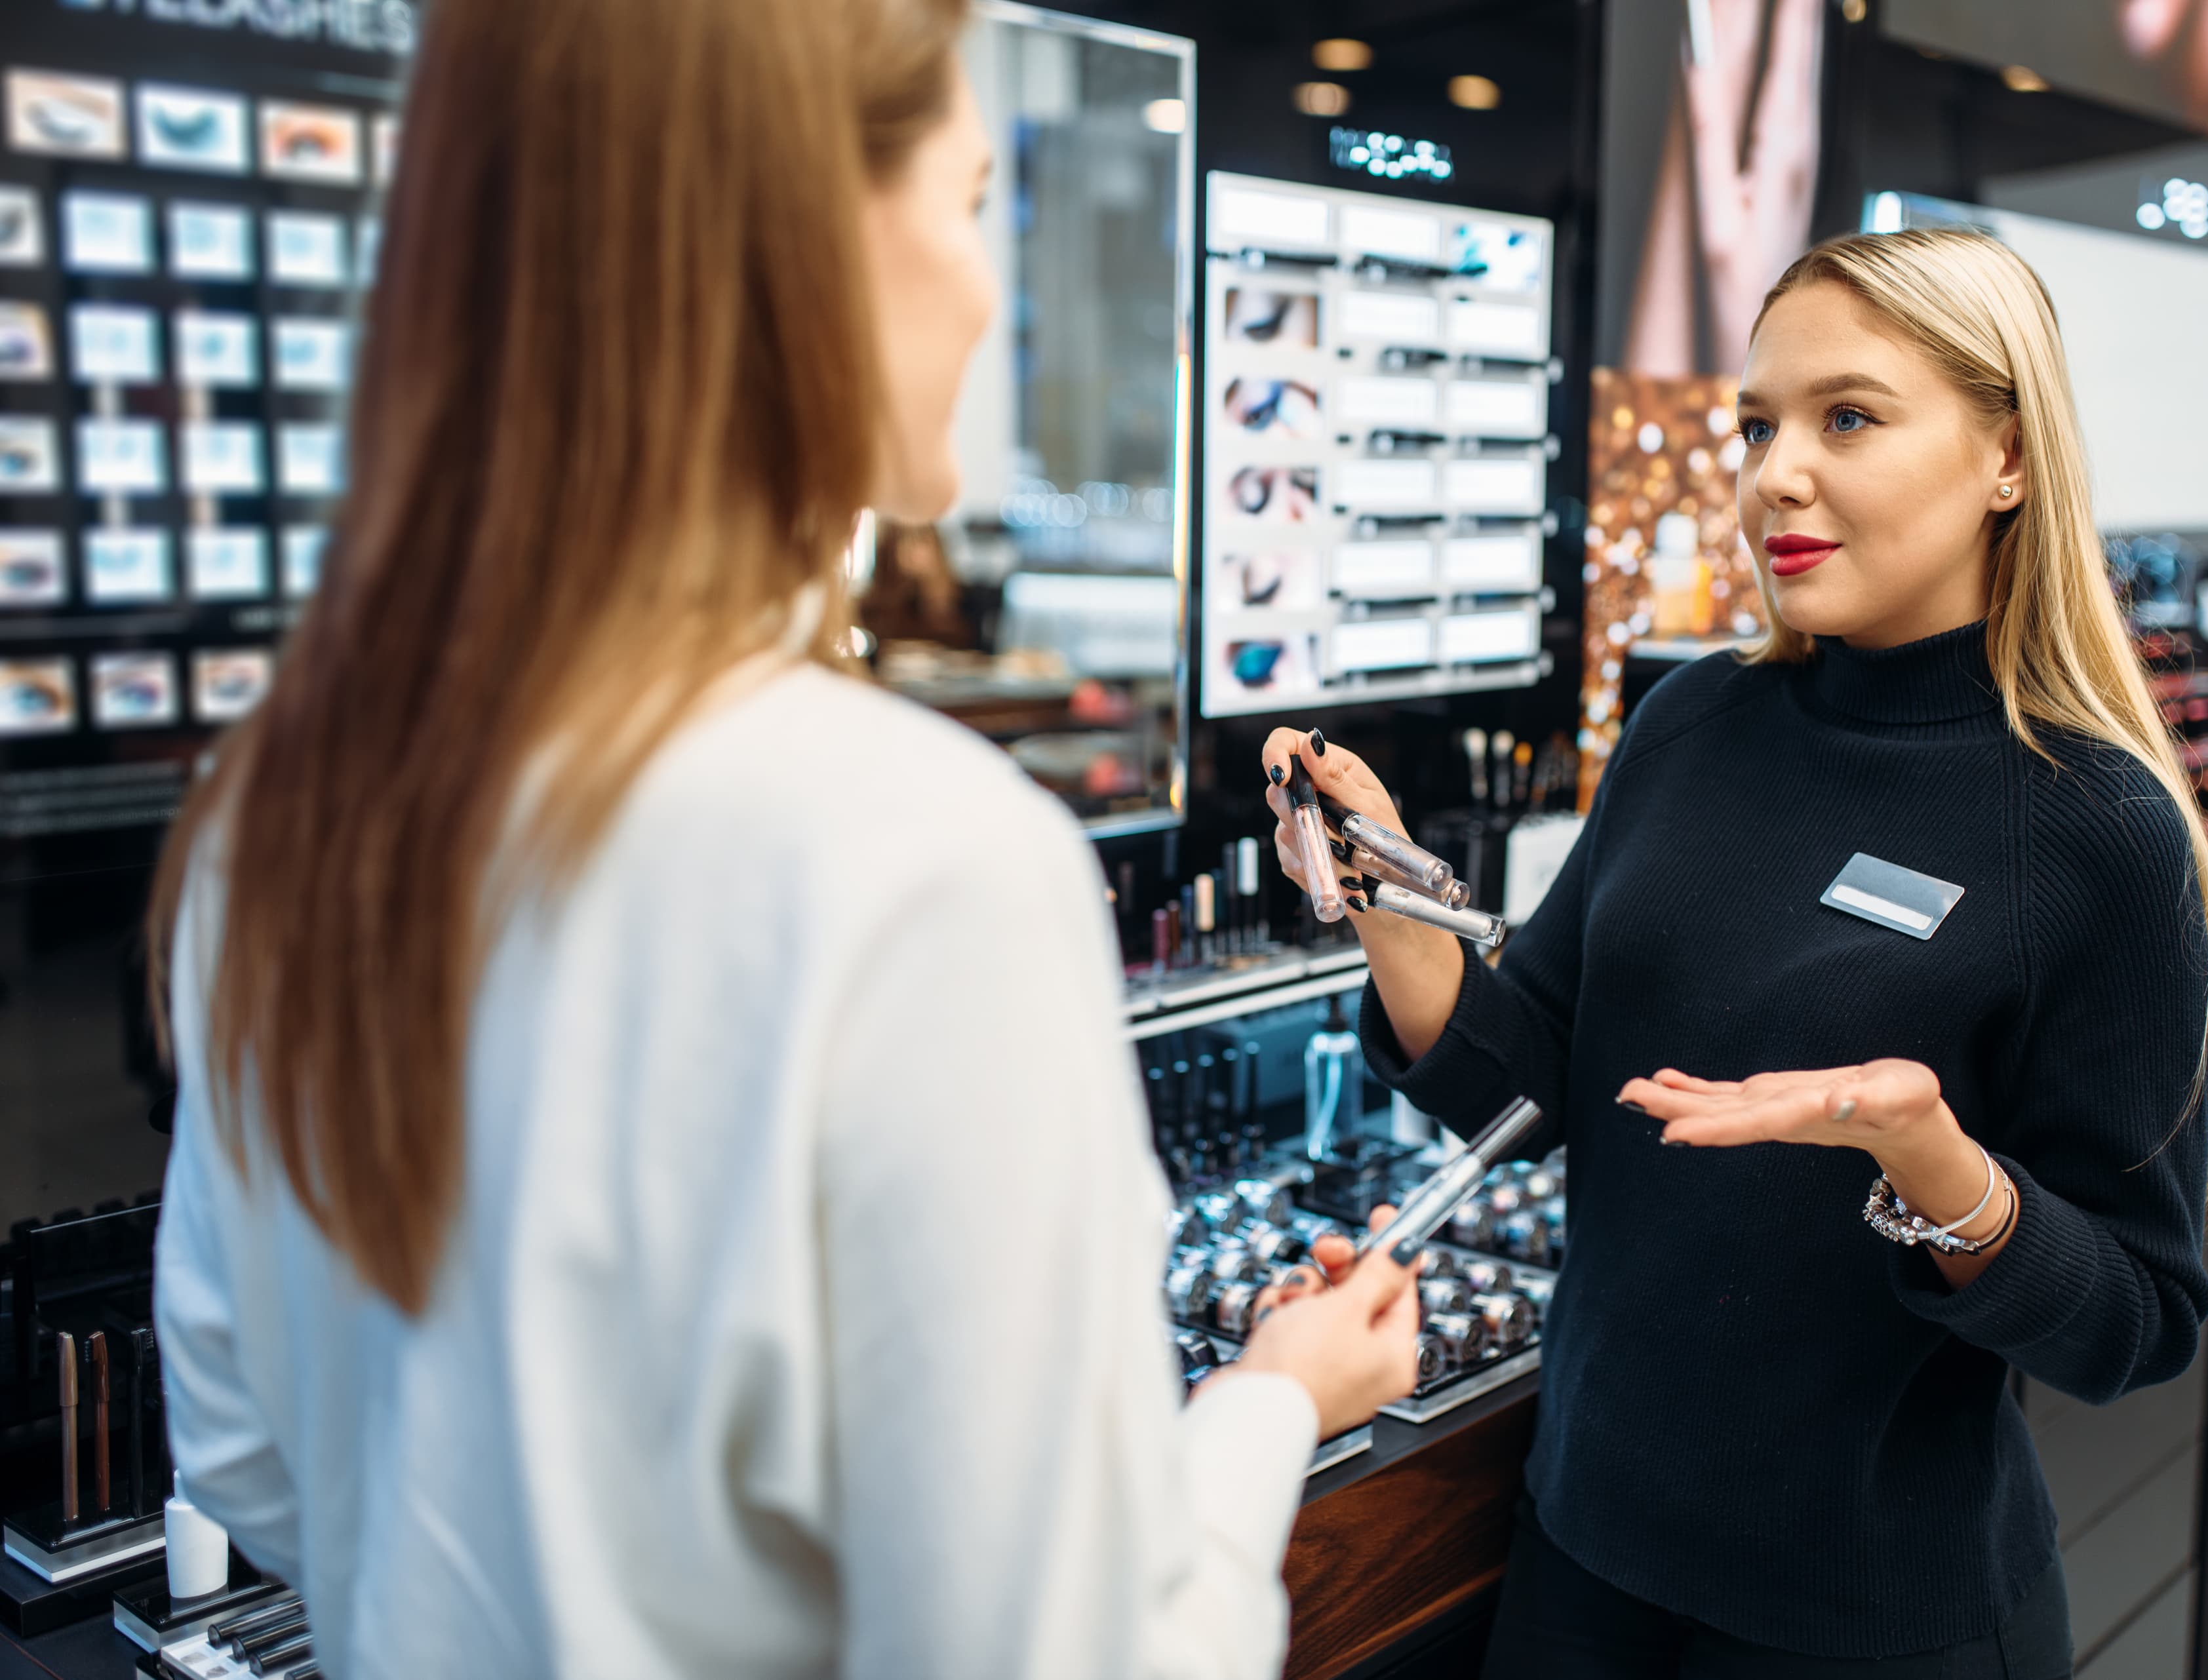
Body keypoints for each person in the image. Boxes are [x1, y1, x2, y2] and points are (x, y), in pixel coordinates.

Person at [147, 1, 1419, 1675]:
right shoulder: (917, 861)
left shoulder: (281, 805)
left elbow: (247, 1454)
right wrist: (1270, 1404)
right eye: (971, 206)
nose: (989, 290)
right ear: (808, 243)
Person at [1266, 227, 2208, 1679]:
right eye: (1757, 424)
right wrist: (1384, 895)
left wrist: (1937, 1168)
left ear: (2010, 459)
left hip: (1866, 1623)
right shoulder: (1692, 726)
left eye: (1847, 417)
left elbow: (2139, 1321)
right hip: (1581, 1555)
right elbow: (1528, 1071)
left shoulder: (2097, 828)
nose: (1772, 473)